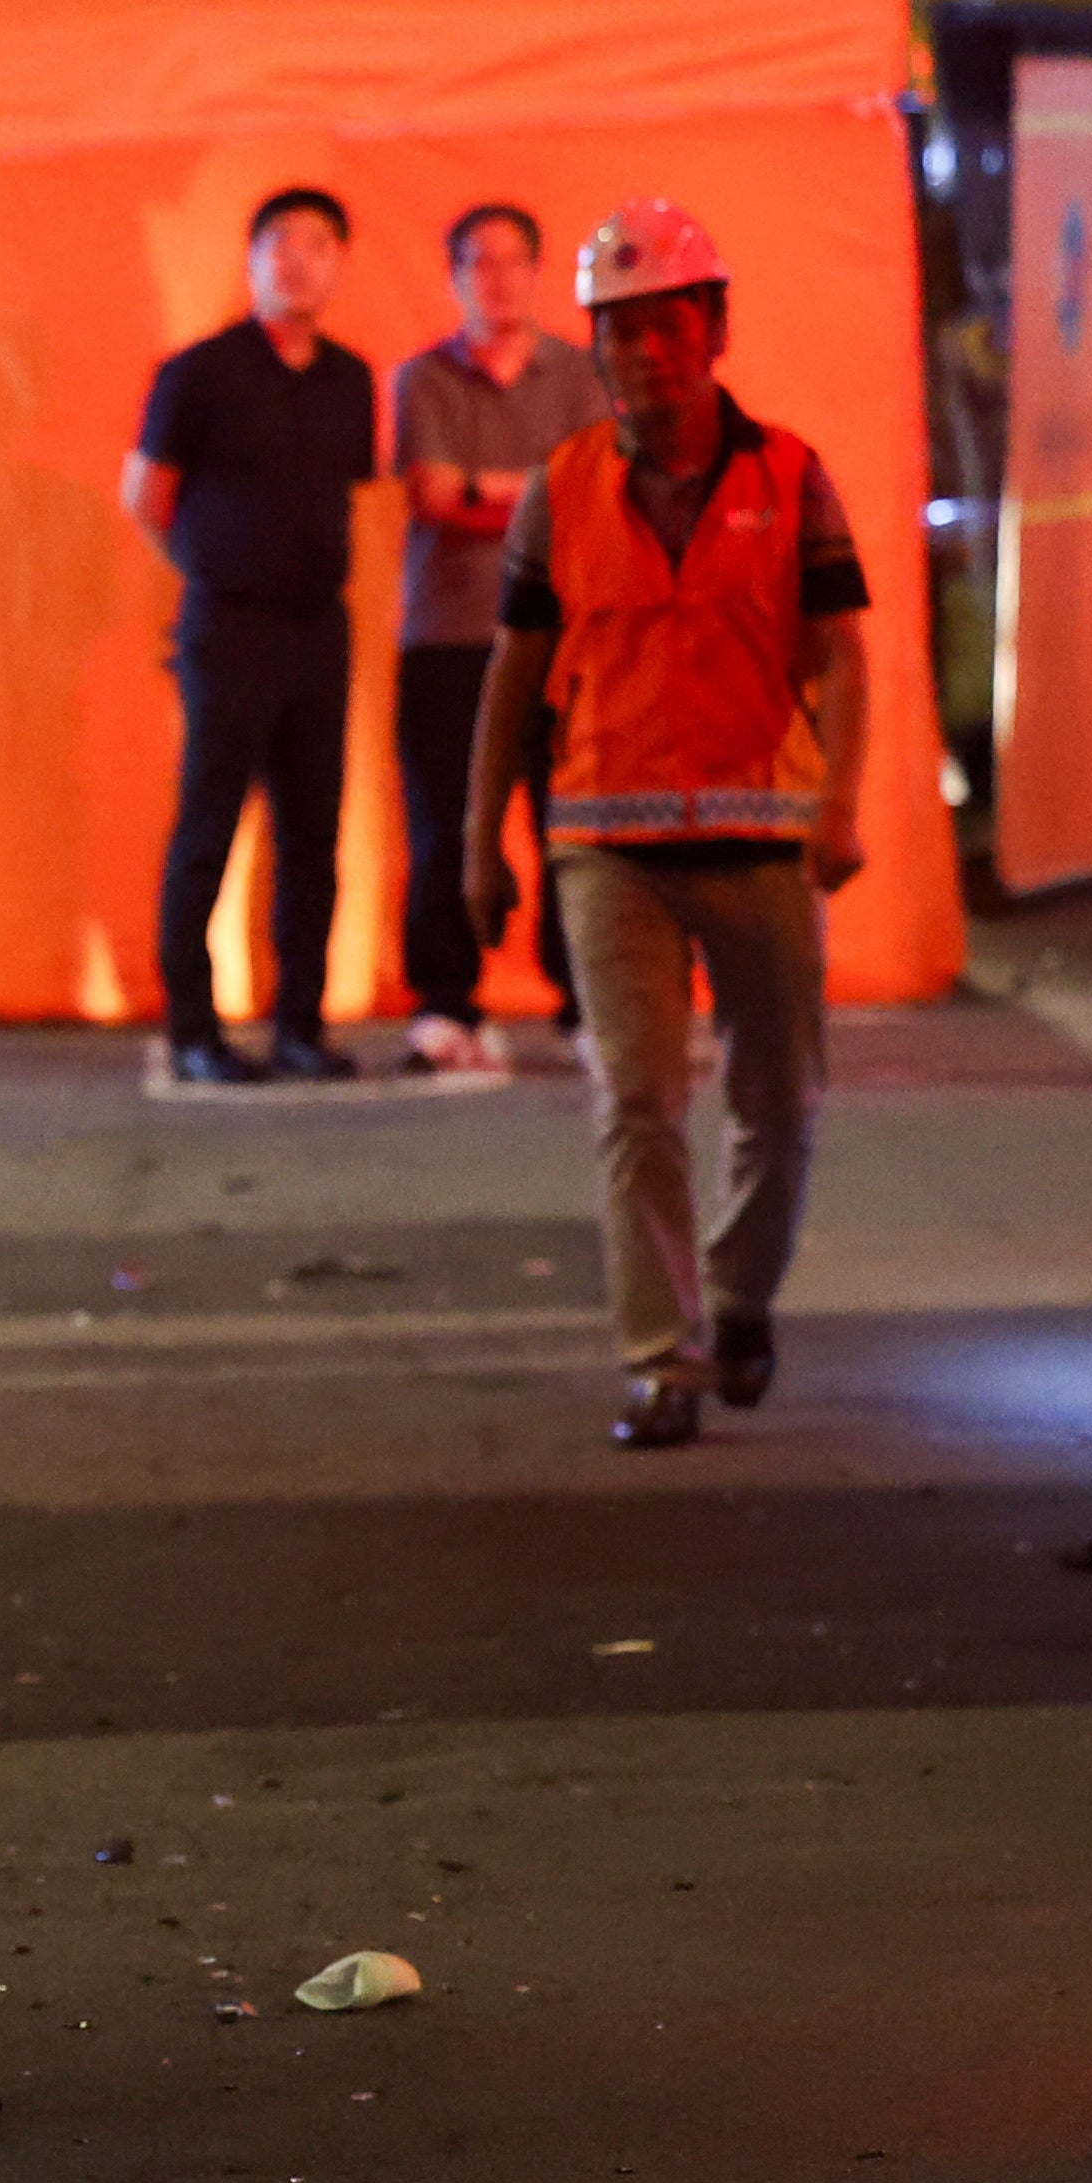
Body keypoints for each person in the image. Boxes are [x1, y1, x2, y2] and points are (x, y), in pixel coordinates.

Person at [460, 200, 870, 1452]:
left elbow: (844, 658)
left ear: (715, 328)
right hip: (606, 845)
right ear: (595, 343)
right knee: (635, 1099)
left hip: (759, 838)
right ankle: (663, 1357)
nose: (645, 354)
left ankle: (740, 1300)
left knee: (778, 1099)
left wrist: (841, 801)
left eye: (667, 326)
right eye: (619, 331)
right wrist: (481, 840)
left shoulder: (790, 477)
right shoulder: (562, 487)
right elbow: (513, 675)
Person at [123, 189, 376, 1083]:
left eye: (317, 244)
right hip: (228, 625)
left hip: (319, 629)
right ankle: (194, 1031)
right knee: (209, 826)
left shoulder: (351, 377)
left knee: (313, 833)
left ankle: (302, 1024)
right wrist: (210, 566)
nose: (297, 260)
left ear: (340, 262)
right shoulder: (198, 372)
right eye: (279, 243)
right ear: (251, 260)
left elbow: (341, 490)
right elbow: (144, 496)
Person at [386, 207, 606, 1072]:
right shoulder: (423, 379)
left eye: (516, 262)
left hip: (565, 638)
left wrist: (492, 488)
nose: (500, 279)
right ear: (455, 276)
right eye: (481, 264)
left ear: (538, 272)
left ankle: (586, 1000)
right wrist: (539, 490)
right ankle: (447, 1003)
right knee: (445, 824)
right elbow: (437, 499)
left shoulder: (583, 375)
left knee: (573, 825)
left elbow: (593, 496)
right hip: (447, 639)